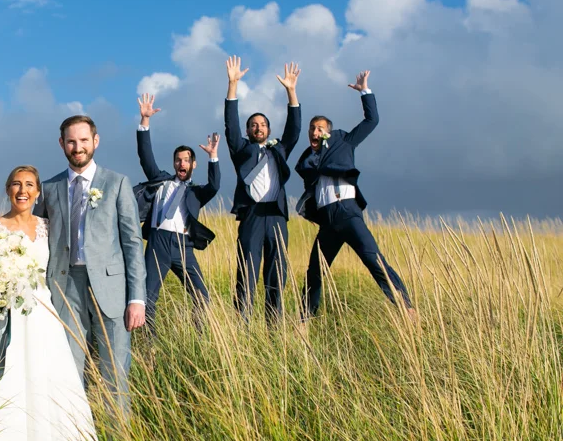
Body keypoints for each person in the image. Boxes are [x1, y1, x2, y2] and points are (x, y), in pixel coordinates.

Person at [0, 166, 100, 441]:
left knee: (47, 378)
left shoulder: (49, 228)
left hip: (42, 314)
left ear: (38, 192)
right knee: (1, 377)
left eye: (29, 185)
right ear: (7, 189)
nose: (22, 190)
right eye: (16, 184)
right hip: (3, 315)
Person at [35, 115, 147, 417]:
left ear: (95, 141)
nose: (78, 147)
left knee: (114, 369)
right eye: (71, 141)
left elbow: (132, 243)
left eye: (84, 140)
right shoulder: (48, 188)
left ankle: (117, 439)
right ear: (62, 144)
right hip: (64, 286)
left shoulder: (117, 183)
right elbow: (37, 238)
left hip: (112, 289)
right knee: (68, 369)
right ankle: (74, 434)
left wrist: (137, 298)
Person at [295, 70, 415, 319]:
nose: (314, 132)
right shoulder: (308, 161)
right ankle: (305, 320)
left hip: (347, 212)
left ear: (328, 132)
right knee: (315, 271)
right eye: (311, 129)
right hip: (327, 220)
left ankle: (406, 308)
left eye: (319, 129)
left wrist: (364, 92)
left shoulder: (344, 142)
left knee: (374, 260)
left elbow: (372, 120)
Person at [224, 57, 302, 324]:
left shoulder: (279, 149)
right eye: (254, 125)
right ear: (248, 130)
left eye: (263, 125)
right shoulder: (242, 150)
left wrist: (291, 92)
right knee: (247, 271)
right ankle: (242, 326)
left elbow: (294, 130)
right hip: (252, 216)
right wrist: (232, 85)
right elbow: (230, 125)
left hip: (277, 216)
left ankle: (274, 327)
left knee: (277, 273)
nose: (258, 128)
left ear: (269, 129)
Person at [135, 93, 220, 333]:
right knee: (148, 297)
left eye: (186, 160)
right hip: (158, 242)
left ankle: (199, 337)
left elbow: (215, 186)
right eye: (178, 160)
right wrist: (145, 121)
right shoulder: (161, 181)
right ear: (174, 164)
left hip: (184, 246)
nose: (182, 164)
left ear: (193, 164)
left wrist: (213, 157)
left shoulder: (196, 193)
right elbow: (145, 157)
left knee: (201, 295)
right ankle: (149, 344)